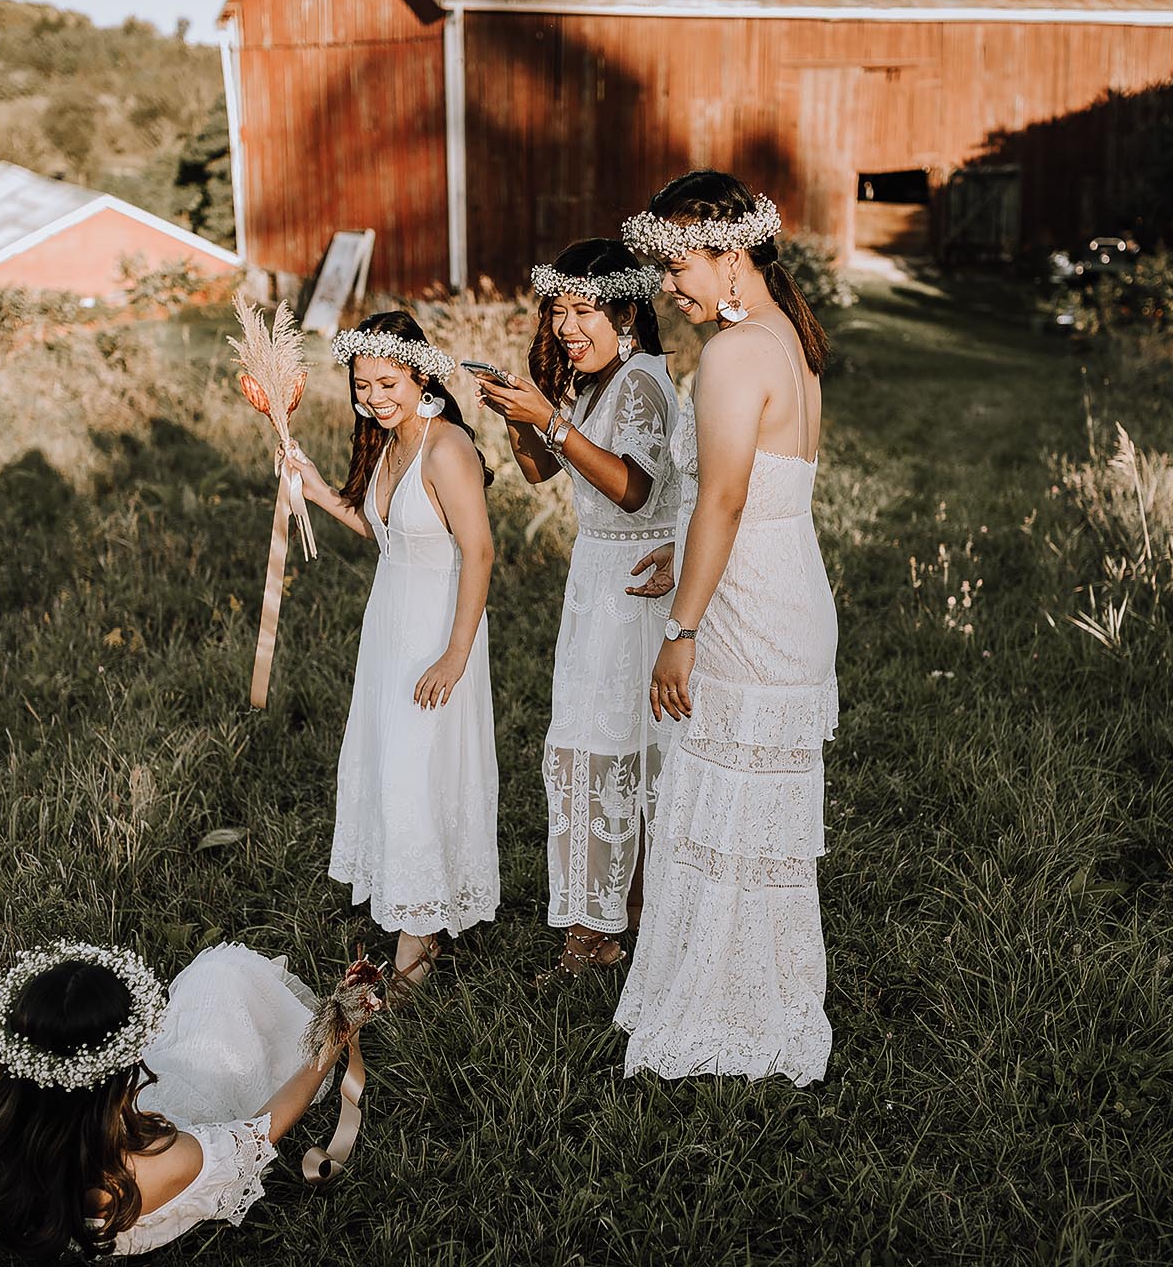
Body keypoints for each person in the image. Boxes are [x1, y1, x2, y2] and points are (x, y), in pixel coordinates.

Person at [610, 170, 839, 1086]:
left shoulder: (737, 354)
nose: (668, 286)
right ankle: (748, 993)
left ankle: (730, 1008)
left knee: (734, 809)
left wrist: (681, 624)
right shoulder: (789, 339)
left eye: (678, 265)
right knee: (745, 818)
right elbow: (753, 495)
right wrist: (689, 560)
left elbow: (730, 496)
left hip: (750, 617)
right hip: (779, 587)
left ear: (731, 253)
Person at [472, 238, 679, 983]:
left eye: (583, 308)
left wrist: (550, 421)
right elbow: (536, 470)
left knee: (619, 751)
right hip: (596, 585)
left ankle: (602, 933)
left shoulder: (645, 382)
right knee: (599, 751)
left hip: (639, 589)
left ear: (626, 308)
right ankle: (618, 916)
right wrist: (516, 413)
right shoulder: (596, 381)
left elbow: (636, 488)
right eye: (558, 309)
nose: (566, 325)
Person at [288, 312, 499, 981]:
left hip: (438, 629)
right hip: (390, 630)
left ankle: (418, 943)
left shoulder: (447, 448)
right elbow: (390, 537)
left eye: (388, 382)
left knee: (418, 770)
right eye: (363, 384)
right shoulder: (390, 443)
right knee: (393, 765)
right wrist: (315, 488)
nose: (375, 397)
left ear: (421, 375)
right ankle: (415, 908)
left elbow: (480, 551)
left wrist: (455, 654)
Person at [0, 940, 371, 1257]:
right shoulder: (147, 1167)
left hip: (68, 1108)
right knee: (222, 978)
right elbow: (261, 1130)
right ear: (120, 1078)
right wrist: (335, 1035)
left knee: (217, 983)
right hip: (157, 1118)